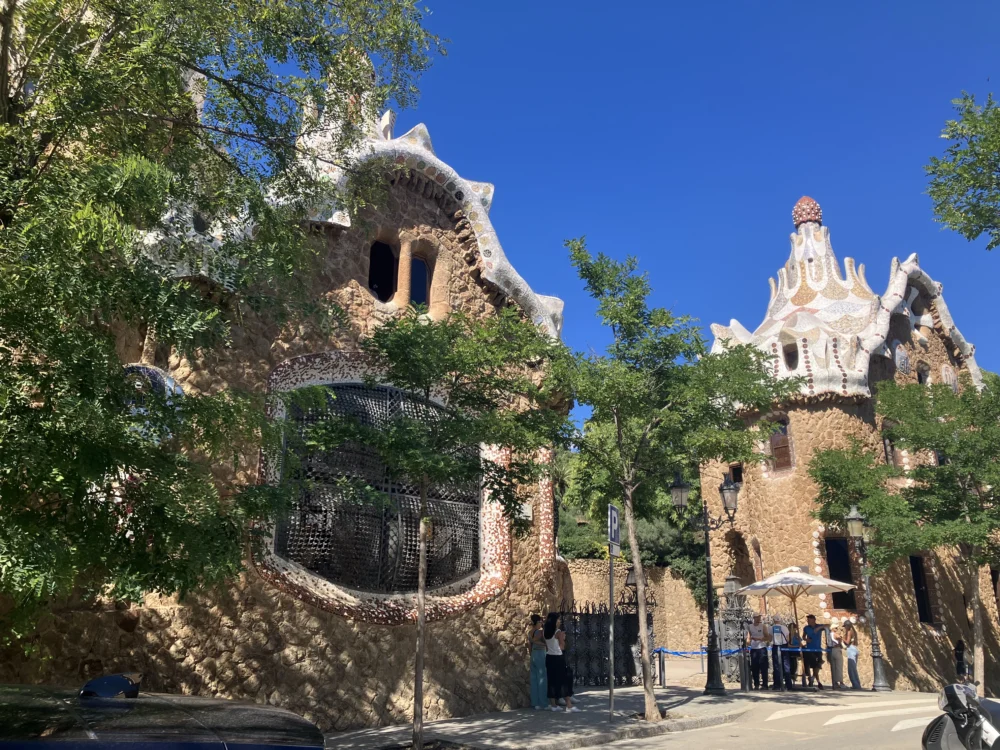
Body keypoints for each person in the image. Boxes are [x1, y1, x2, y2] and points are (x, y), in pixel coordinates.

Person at [543, 613, 578, 713]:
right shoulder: (558, 632)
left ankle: (553, 705)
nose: (559, 621)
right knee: (563, 680)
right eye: (558, 619)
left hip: (549, 657)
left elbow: (546, 646)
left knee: (551, 681)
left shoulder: (545, 632)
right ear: (554, 620)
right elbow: (562, 647)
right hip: (558, 658)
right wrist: (563, 638)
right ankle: (569, 705)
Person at [529, 614, 548, 709]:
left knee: (534, 679)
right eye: (540, 622)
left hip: (533, 655)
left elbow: (530, 645)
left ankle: (535, 702)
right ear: (537, 622)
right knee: (542, 678)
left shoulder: (530, 632)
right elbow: (545, 642)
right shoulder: (540, 632)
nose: (541, 623)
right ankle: (543, 703)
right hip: (540, 654)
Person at [746, 613, 770, 690]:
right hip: (754, 649)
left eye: (759, 617)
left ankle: (765, 684)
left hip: (762, 648)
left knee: (764, 667)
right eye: (757, 617)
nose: (758, 619)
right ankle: (756, 684)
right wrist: (747, 643)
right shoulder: (750, 627)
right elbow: (748, 638)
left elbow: (767, 637)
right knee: (754, 667)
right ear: (754, 618)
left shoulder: (763, 626)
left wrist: (760, 639)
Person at [801, 614, 825, 689]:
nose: (808, 621)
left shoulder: (819, 626)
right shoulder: (806, 628)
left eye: (809, 620)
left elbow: (828, 625)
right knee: (812, 665)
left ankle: (813, 678)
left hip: (818, 648)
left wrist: (820, 628)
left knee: (818, 664)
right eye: (807, 620)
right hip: (810, 649)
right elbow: (803, 636)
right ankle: (815, 681)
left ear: (814, 620)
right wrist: (806, 639)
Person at [770, 615, 792, 690]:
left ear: (774, 620)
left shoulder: (771, 628)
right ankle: (788, 685)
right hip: (784, 646)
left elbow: (770, 638)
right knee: (786, 665)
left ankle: (777, 684)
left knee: (776, 666)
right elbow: (788, 638)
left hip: (776, 646)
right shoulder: (785, 628)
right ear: (780, 620)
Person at [841, 620, 862, 690]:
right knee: (854, 668)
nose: (845, 628)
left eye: (845, 626)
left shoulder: (849, 631)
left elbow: (847, 642)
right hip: (855, 649)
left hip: (851, 649)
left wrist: (842, 638)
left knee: (851, 669)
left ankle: (856, 685)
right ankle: (857, 684)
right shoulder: (854, 631)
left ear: (847, 626)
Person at [827, 622, 844, 689]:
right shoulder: (834, 634)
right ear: (832, 628)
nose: (837, 629)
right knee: (839, 666)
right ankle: (841, 682)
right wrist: (840, 640)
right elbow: (839, 638)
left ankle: (834, 682)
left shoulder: (829, 635)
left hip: (831, 651)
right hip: (836, 649)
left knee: (833, 667)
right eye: (836, 628)